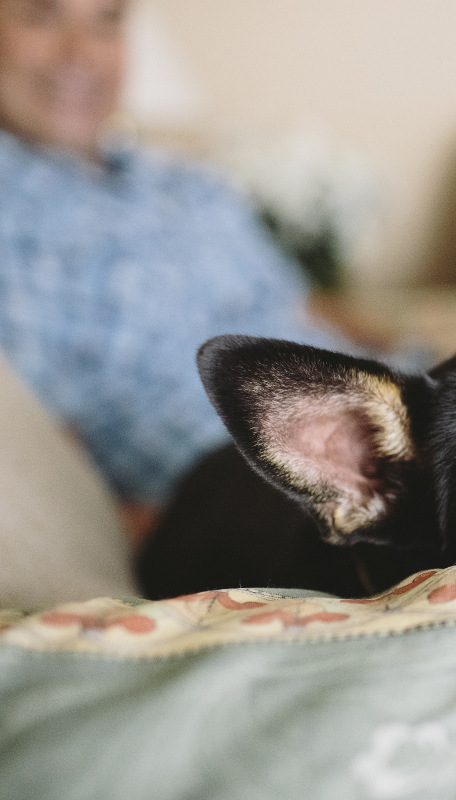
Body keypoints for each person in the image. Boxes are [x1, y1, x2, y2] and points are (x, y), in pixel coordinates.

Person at [0, 0, 372, 538]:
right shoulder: (12, 213)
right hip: (262, 487)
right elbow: (40, 449)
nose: (81, 54)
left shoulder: (189, 184)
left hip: (385, 405)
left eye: (107, 22)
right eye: (42, 16)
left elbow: (303, 309)